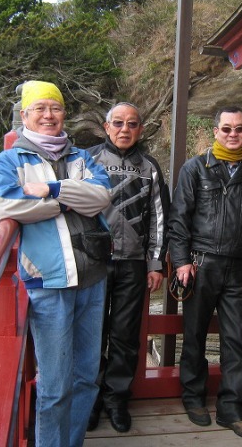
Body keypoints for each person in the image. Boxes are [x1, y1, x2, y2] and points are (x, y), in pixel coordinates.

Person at [0, 81, 111, 447]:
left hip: (92, 277)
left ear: (64, 114)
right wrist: (67, 201)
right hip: (48, 282)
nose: (48, 115)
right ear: (25, 115)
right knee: (55, 386)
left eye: (55, 108)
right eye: (39, 108)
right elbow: (5, 206)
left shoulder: (81, 157)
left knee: (86, 377)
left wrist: (52, 190)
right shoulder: (9, 161)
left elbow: (102, 196)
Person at [167, 106, 242, 441]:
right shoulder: (195, 169)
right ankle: (193, 397)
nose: (233, 134)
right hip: (201, 264)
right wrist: (181, 261)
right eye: (226, 129)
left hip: (239, 269)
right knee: (194, 334)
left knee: (236, 341)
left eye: (239, 129)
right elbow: (179, 219)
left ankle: (231, 407)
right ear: (215, 131)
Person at [86, 102, 169, 433]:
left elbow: (160, 218)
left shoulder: (149, 166)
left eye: (132, 124)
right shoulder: (86, 160)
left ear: (140, 130)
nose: (125, 129)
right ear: (106, 127)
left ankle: (116, 398)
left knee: (125, 335)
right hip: (94, 262)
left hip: (134, 264)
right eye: (118, 123)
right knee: (92, 333)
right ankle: (90, 399)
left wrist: (156, 263)